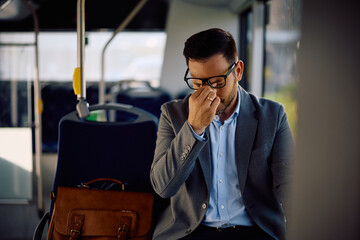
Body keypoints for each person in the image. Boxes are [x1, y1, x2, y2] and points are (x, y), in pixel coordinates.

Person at [150, 28, 294, 240]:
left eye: (217, 83)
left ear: (238, 71)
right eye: (198, 84)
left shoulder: (272, 116)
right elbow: (163, 188)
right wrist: (193, 129)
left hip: (254, 230)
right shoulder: (172, 114)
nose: (209, 92)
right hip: (190, 231)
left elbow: (289, 187)